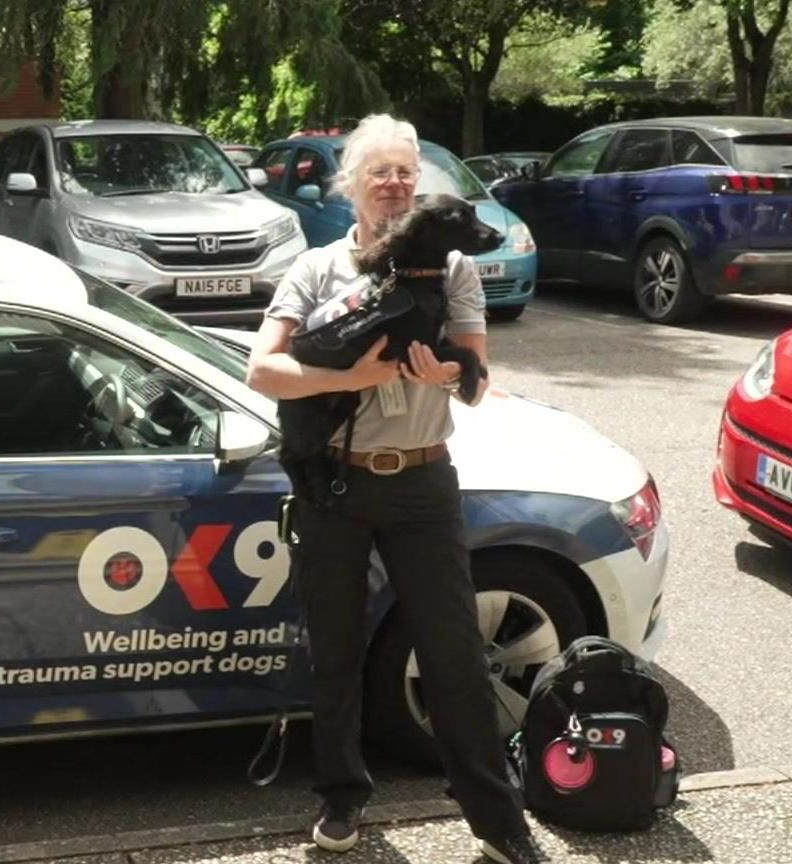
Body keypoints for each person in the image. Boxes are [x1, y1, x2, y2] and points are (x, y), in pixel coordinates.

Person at [245, 114, 549, 864]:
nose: (394, 184)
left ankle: (497, 819)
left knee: (454, 654)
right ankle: (342, 802)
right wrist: (353, 376)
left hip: (422, 481)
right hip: (337, 485)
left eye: (406, 173)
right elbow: (264, 371)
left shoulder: (453, 269)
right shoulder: (316, 269)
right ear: (351, 184)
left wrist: (444, 372)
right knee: (337, 652)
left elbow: (475, 381)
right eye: (378, 171)